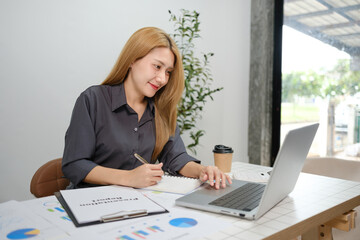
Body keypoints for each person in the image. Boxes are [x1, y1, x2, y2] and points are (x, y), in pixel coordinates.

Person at [62, 27, 232, 190]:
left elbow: (176, 157)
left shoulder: (161, 110)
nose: (162, 79)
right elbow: (74, 164)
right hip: (88, 202)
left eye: (168, 72)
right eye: (157, 66)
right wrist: (128, 178)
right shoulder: (93, 100)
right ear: (132, 60)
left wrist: (202, 171)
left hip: (137, 204)